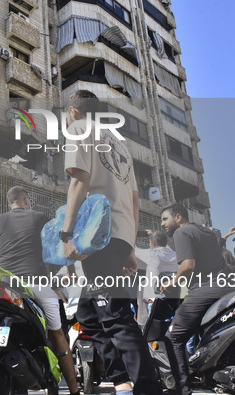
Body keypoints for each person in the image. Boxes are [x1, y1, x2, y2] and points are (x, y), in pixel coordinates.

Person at [60, 90, 160, 395]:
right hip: (117, 235)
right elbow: (134, 199)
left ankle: (145, 388)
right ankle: (122, 381)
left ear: (74, 111)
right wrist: (128, 246)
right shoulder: (120, 143)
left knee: (114, 313)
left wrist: (66, 234)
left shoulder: (79, 129)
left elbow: (80, 181)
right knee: (89, 314)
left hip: (98, 236)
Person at [0, 186, 80, 395]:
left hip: (4, 286)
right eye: (28, 200)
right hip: (35, 284)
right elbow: (58, 248)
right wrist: (71, 271)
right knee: (57, 333)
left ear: (9, 203)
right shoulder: (39, 218)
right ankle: (74, 390)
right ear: (26, 199)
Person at [160, 203, 235, 395]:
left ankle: (182, 389)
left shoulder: (181, 233)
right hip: (229, 287)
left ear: (178, 217)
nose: (162, 224)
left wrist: (172, 282)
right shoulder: (208, 232)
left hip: (205, 290)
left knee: (173, 337)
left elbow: (188, 265)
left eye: (164, 219)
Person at [135, 230, 178, 325]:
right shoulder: (175, 255)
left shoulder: (152, 254)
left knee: (153, 330)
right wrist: (153, 236)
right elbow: (166, 248)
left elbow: (134, 249)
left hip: (155, 301)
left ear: (153, 242)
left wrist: (134, 235)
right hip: (172, 300)